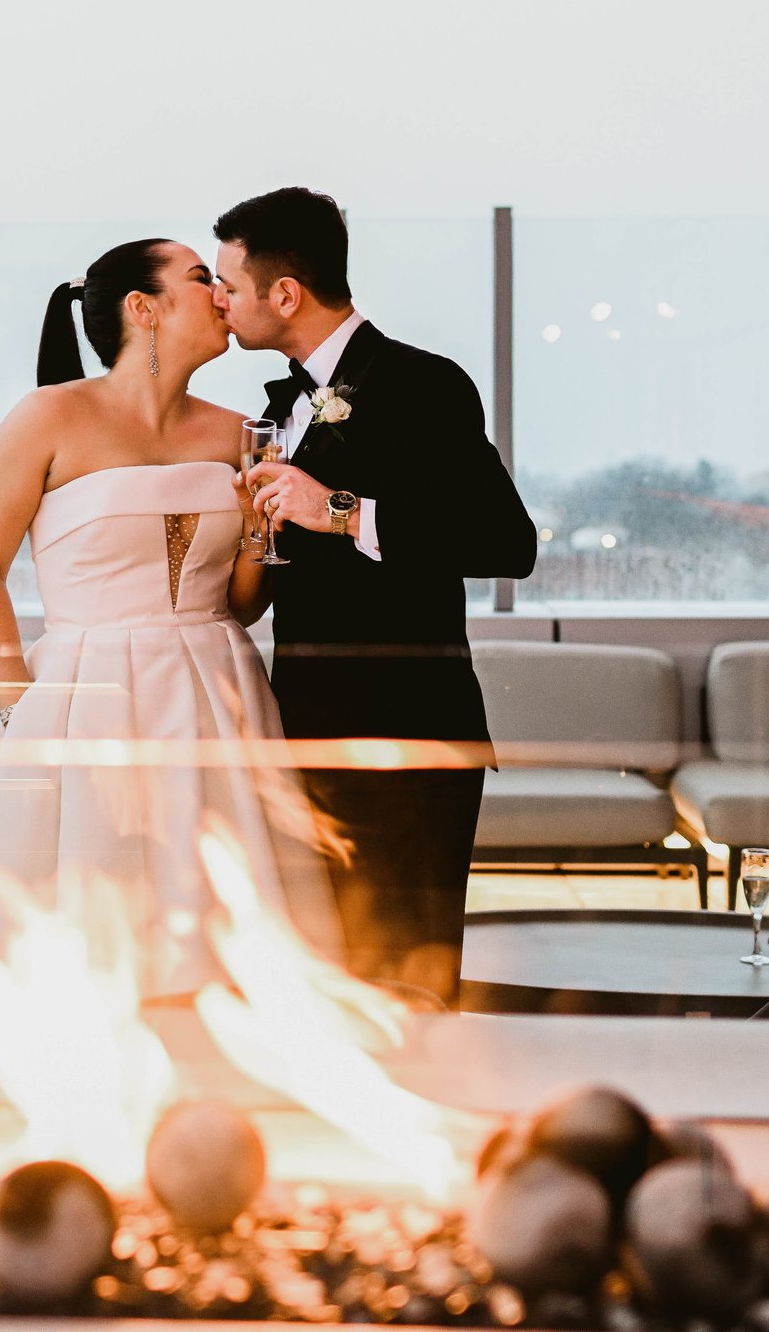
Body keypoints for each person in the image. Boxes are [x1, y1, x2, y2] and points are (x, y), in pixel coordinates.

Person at [0, 239, 342, 1010]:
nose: (222, 294)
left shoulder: (241, 431)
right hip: (80, 697)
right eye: (201, 279)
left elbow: (244, 603)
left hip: (217, 697)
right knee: (75, 913)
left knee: (225, 914)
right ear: (142, 308)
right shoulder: (48, 417)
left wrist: (264, 531)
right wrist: (21, 709)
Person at [214, 187, 538, 1007]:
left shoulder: (423, 383)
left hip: (408, 744)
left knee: (411, 983)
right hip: (310, 739)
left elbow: (509, 544)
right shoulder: (279, 408)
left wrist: (341, 510)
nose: (219, 300)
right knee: (338, 983)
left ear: (283, 294)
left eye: (228, 282)